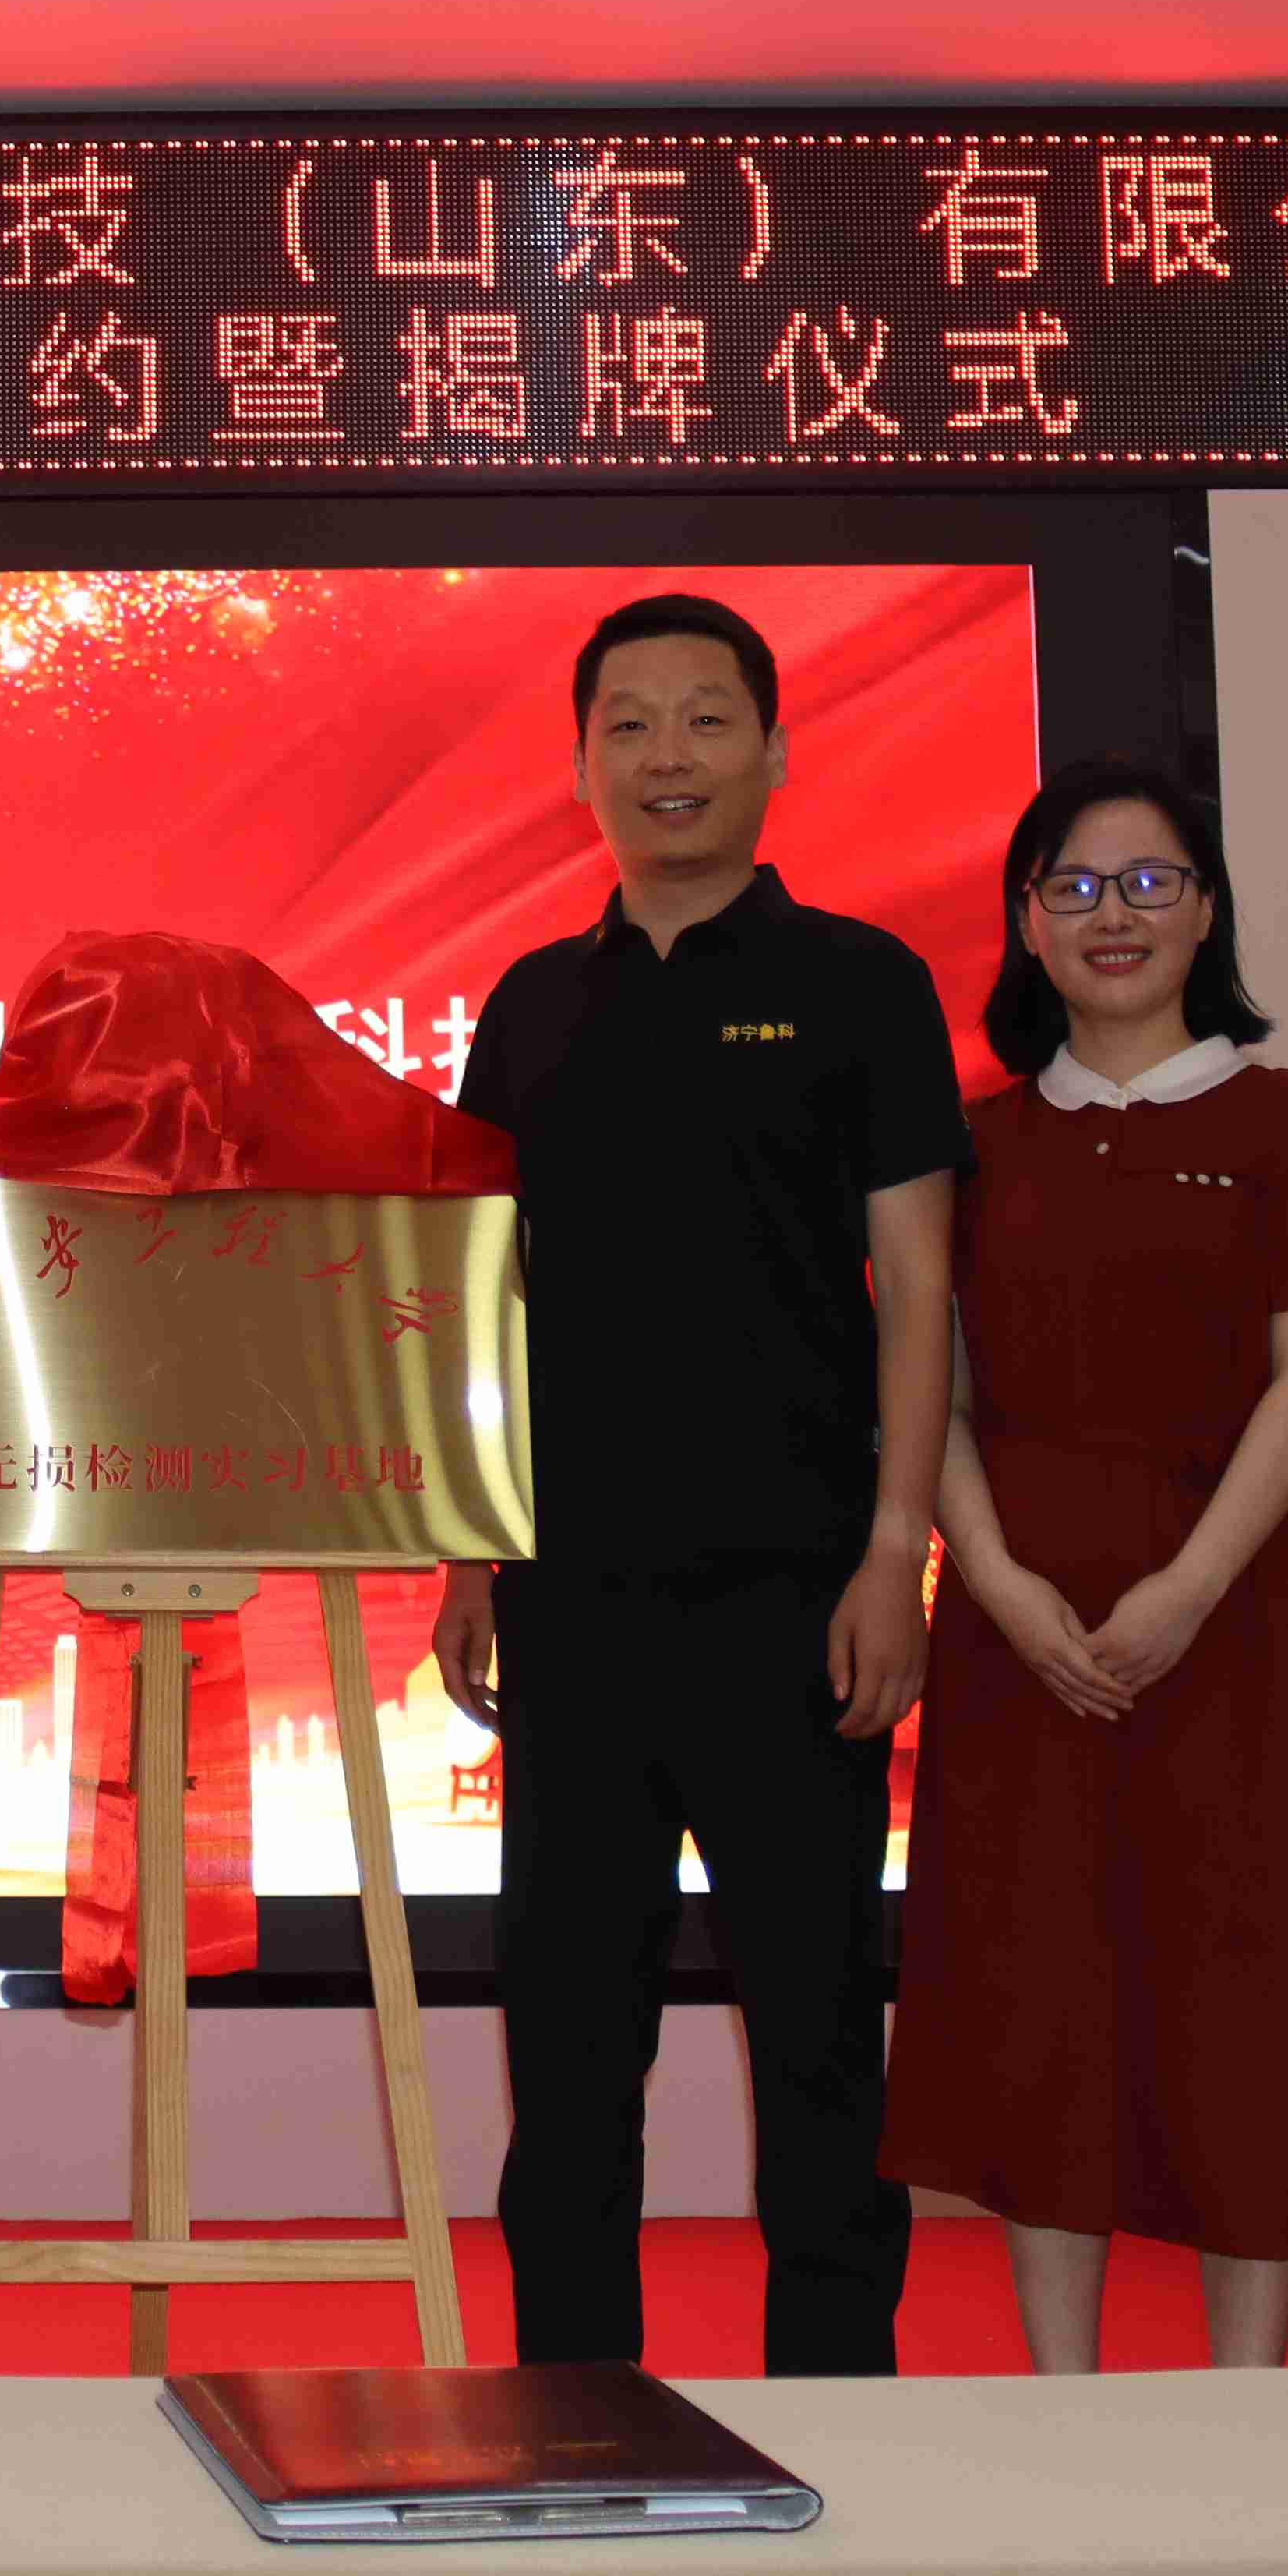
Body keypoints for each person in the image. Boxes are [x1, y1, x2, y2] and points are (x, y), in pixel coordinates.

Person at [439, 591, 959, 2375]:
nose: (669, 755)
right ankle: (574, 2418)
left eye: (707, 718)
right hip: (569, 1602)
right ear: (582, 763)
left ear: (775, 752)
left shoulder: (862, 985)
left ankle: (846, 2422)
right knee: (571, 2056)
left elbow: (920, 1290)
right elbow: (484, 1296)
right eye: (631, 724)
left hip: (795, 1600)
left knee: (819, 2047)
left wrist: (896, 1553)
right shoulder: (532, 1005)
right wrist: (465, 1548)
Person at [890, 756, 1288, 2371]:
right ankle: (1065, 2387)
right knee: (1038, 1986)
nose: (1114, 916)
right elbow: (930, 1390)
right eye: (1075, 887)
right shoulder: (970, 1145)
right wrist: (992, 1577)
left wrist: (1186, 1588)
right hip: (1019, 1619)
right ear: (1027, 924)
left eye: (1151, 882)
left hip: (1233, 1613)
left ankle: (1250, 2395)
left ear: (1205, 911)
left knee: (1246, 1984)